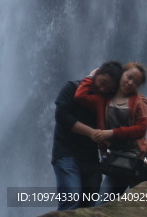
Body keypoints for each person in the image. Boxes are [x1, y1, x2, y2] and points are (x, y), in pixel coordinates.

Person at [76, 62, 147, 196]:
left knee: (140, 202)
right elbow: (80, 96)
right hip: (116, 158)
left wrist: (112, 133)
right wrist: (91, 76)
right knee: (104, 201)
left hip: (137, 158)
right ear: (121, 74)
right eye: (129, 77)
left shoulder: (139, 102)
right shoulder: (104, 99)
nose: (130, 83)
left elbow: (141, 129)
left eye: (136, 82)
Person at [51, 61, 123, 210]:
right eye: (102, 82)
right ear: (96, 73)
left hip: (91, 160)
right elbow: (61, 116)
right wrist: (91, 133)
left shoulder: (104, 103)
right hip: (66, 154)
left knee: (89, 207)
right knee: (71, 200)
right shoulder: (71, 87)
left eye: (108, 89)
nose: (102, 89)